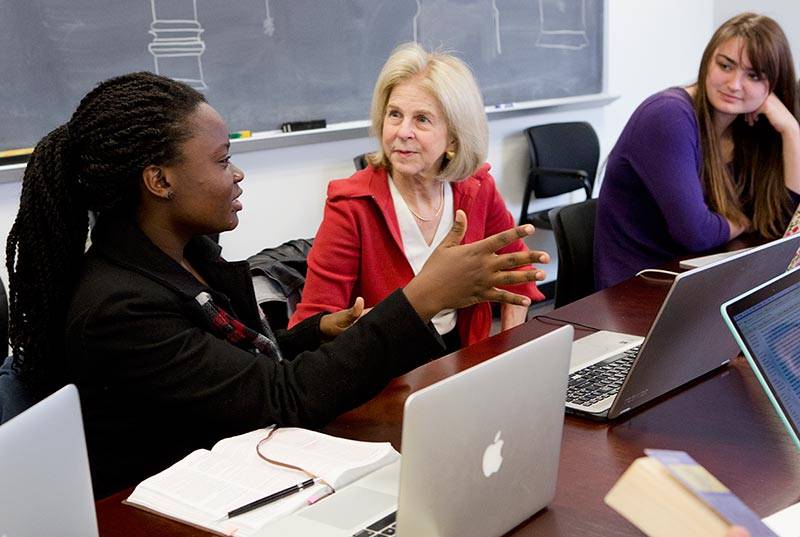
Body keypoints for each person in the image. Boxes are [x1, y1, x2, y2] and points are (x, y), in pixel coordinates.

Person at [5, 72, 548, 497]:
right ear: (160, 180)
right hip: (175, 509)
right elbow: (282, 397)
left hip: (240, 470)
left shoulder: (185, 257)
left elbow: (229, 366)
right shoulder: (119, 308)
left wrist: (312, 334)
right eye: (223, 160)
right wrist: (423, 297)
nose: (237, 174)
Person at [289, 43, 545, 351]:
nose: (402, 132)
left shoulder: (478, 188)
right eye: (395, 115)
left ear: (454, 137)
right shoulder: (352, 205)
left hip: (464, 353)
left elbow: (518, 271)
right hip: (385, 365)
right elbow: (312, 327)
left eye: (422, 119)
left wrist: (508, 348)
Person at [595, 12, 800, 289]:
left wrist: (791, 131)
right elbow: (696, 233)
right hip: (639, 288)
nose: (734, 84)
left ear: (773, 84)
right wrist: (745, 222)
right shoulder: (668, 115)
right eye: (725, 66)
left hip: (704, 278)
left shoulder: (750, 127)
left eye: (753, 75)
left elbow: (784, 225)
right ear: (707, 62)